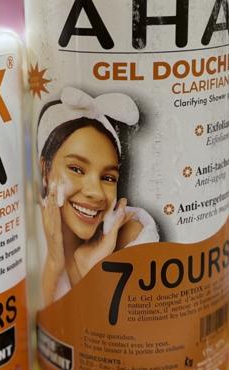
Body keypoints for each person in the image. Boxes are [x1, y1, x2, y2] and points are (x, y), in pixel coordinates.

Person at [37, 87, 158, 306]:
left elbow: (122, 324)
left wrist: (89, 268)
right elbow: (39, 318)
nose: (96, 192)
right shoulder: (23, 234)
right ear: (45, 170)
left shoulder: (131, 236)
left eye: (108, 178)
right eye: (76, 169)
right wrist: (54, 262)